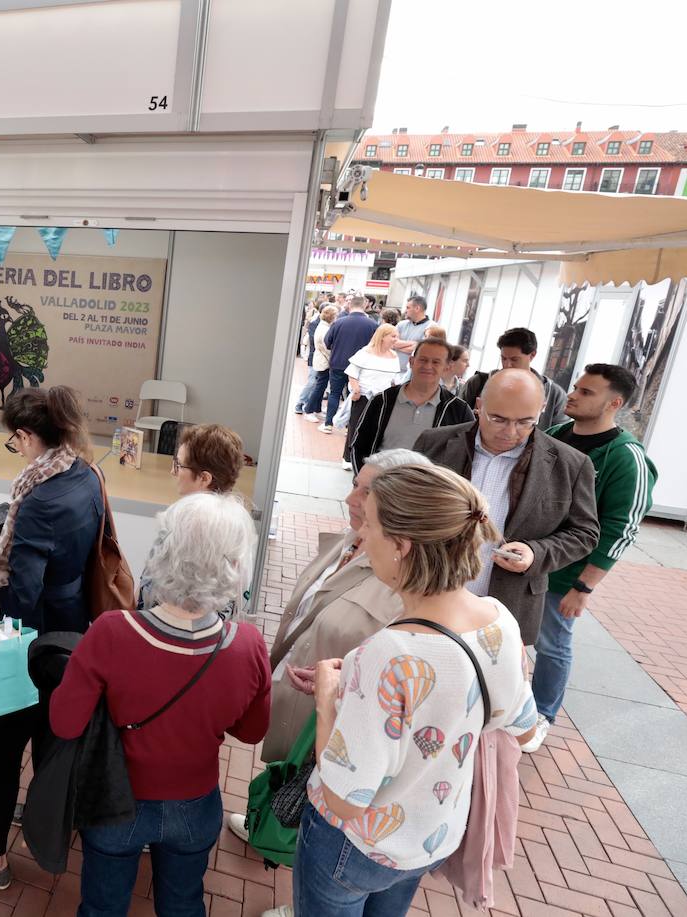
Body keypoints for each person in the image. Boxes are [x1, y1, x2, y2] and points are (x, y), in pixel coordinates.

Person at [298, 463, 538, 917]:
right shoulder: (498, 619)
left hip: (355, 845)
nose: (361, 536)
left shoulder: (391, 653)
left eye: (369, 524)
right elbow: (525, 730)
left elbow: (343, 800)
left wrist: (328, 702)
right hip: (432, 837)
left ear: (402, 546)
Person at [50, 493, 272, 917]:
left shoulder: (111, 632)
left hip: (115, 800)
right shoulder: (247, 644)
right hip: (195, 805)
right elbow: (252, 731)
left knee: (102, 906)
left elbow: (64, 723)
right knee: (184, 904)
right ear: (235, 565)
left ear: (164, 551)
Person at [0, 385, 103, 894]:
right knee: (55, 737)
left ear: (29, 435)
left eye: (16, 439)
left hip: (31, 643)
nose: (17, 448)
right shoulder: (86, 473)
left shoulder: (36, 500)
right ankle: (46, 816)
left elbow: (22, 589)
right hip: (74, 632)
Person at [226, 449, 432, 846]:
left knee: (322, 814)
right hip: (304, 700)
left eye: (367, 493)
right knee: (295, 788)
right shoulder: (352, 539)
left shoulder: (405, 581)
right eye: (355, 485)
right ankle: (272, 832)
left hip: (339, 724)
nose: (352, 499)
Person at [413, 369, 600, 645]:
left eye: (526, 422)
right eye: (498, 419)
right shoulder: (434, 443)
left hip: (507, 607)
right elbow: (404, 507)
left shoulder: (571, 464)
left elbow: (585, 534)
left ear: (542, 410)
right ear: (479, 406)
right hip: (429, 594)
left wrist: (535, 553)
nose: (511, 432)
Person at [527, 364, 657, 752]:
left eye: (586, 392)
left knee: (552, 644)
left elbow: (623, 526)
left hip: (567, 575)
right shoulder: (553, 436)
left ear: (614, 403)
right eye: (576, 388)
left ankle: (541, 714)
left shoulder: (625, 456)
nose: (573, 395)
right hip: (527, 561)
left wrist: (584, 586)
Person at [136, 423, 245, 611]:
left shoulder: (181, 529)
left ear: (204, 478)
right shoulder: (236, 529)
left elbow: (149, 592)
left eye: (179, 465)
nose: (173, 471)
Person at [348, 339, 473, 473]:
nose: (428, 366)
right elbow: (359, 445)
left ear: (447, 367)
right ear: (411, 362)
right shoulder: (382, 401)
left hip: (426, 491)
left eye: (436, 362)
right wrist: (363, 480)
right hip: (378, 485)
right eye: (423, 360)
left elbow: (468, 455)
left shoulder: (458, 410)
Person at [459, 328, 567, 431]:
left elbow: (556, 441)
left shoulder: (554, 395)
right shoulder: (477, 383)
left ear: (532, 355)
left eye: (514, 359)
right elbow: (454, 422)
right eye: (503, 358)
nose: (507, 365)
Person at [339, 324, 401, 467]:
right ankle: (348, 458)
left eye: (397, 336)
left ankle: (368, 457)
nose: (396, 339)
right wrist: (356, 390)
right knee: (356, 427)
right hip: (364, 397)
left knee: (376, 429)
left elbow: (394, 380)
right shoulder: (365, 353)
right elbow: (352, 373)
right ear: (382, 336)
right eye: (393, 336)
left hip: (383, 400)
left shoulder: (394, 356)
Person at [320, 294, 377, 435]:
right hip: (360, 367)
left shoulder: (338, 322)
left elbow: (327, 343)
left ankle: (328, 424)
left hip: (338, 363)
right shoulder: (373, 325)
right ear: (364, 306)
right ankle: (348, 426)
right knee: (354, 395)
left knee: (334, 394)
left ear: (350, 306)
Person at [295, 305, 338, 419]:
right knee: (318, 386)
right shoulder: (324, 328)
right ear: (331, 316)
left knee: (320, 386)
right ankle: (309, 409)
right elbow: (326, 347)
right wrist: (333, 357)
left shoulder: (324, 326)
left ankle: (316, 408)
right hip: (323, 360)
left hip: (322, 360)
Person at [392, 294, 440, 372]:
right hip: (394, 370)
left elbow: (421, 350)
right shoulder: (401, 324)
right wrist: (415, 344)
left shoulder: (432, 327)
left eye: (408, 308)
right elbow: (391, 343)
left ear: (417, 308)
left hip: (414, 374)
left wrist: (398, 346)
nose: (405, 311)